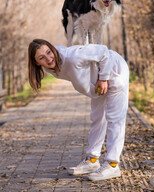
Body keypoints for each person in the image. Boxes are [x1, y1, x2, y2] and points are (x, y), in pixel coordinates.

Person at [28, 38, 129, 181]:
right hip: (97, 81)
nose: (49, 59)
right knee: (96, 118)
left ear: (52, 48)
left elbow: (103, 52)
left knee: (114, 118)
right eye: (41, 58)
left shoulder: (73, 55)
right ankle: (92, 161)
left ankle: (112, 164)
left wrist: (104, 78)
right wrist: (99, 80)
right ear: (36, 63)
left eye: (49, 52)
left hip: (114, 69)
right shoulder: (49, 66)